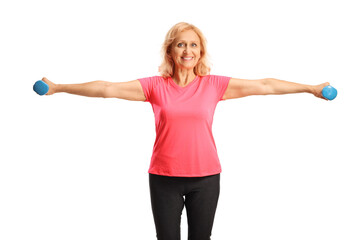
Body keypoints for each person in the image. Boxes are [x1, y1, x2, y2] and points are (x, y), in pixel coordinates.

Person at [40, 22, 329, 240]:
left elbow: (265, 85)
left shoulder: (214, 85)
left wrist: (310, 88)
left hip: (205, 178)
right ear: (170, 50)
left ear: (200, 51)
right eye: (180, 45)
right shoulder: (155, 86)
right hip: (164, 177)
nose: (187, 51)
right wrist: (58, 88)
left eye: (193, 45)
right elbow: (106, 89)